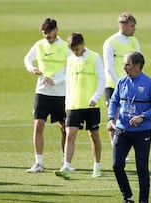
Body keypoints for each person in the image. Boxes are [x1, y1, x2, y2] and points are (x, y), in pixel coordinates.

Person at [108, 52, 151, 203]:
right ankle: (128, 197)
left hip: (142, 133)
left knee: (142, 168)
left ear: (137, 66)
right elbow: (113, 101)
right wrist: (111, 117)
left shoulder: (149, 83)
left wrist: (143, 116)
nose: (124, 67)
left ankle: (143, 201)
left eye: (127, 64)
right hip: (122, 131)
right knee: (116, 165)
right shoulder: (121, 82)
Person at [24, 18, 73, 173]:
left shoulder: (66, 47)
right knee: (38, 125)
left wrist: (55, 81)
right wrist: (31, 68)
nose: (47, 36)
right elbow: (27, 59)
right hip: (42, 92)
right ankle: (38, 163)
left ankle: (65, 161)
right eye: (44, 33)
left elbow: (71, 70)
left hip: (61, 93)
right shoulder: (39, 45)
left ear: (56, 29)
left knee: (64, 127)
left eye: (49, 33)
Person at [54, 32, 105, 179]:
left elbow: (102, 80)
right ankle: (66, 166)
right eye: (72, 50)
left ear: (83, 44)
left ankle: (97, 166)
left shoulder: (95, 57)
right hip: (74, 105)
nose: (75, 53)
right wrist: (66, 102)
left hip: (91, 106)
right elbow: (68, 82)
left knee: (93, 135)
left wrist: (95, 97)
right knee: (69, 135)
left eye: (76, 49)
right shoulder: (70, 60)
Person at [103, 12, 141, 147]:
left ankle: (119, 148)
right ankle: (116, 148)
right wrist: (121, 83)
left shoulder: (134, 41)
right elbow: (108, 66)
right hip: (113, 86)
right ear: (122, 26)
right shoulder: (110, 42)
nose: (134, 29)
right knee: (114, 118)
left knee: (126, 118)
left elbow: (139, 65)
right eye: (131, 26)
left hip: (130, 86)